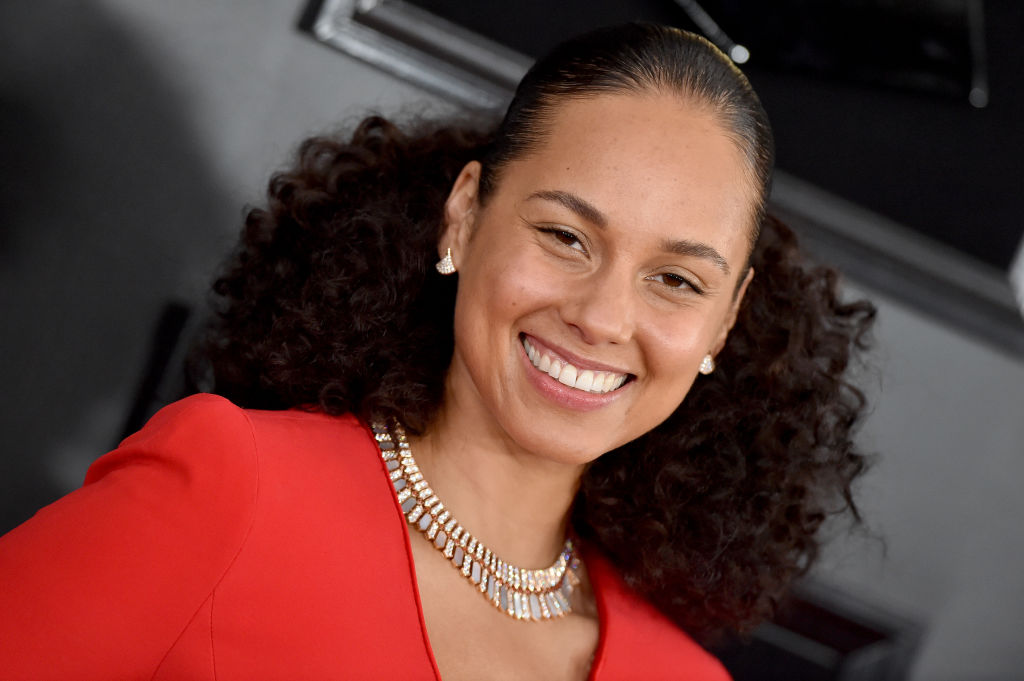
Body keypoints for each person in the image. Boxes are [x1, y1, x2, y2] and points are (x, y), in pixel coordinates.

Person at [0, 23, 874, 680]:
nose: (603, 317)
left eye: (677, 280)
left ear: (725, 324)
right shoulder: (230, 489)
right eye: (566, 236)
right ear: (464, 215)